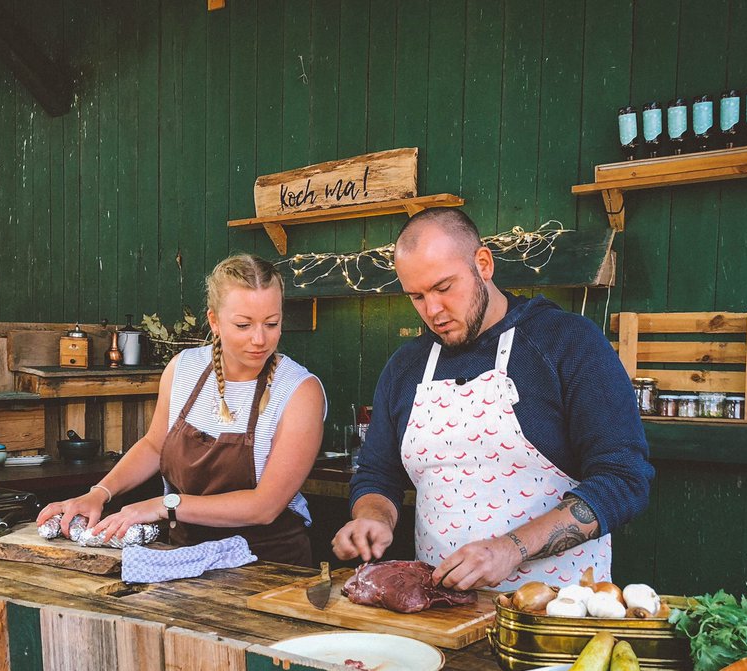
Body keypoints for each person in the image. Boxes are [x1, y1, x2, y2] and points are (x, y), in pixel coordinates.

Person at [331, 208, 653, 591]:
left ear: (483, 264)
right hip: (443, 611)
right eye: (416, 296)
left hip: (558, 612)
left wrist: (511, 548)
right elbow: (377, 475)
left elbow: (624, 479)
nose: (432, 310)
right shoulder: (405, 367)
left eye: (444, 287)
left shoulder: (567, 342)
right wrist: (373, 517)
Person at [37, 254, 326, 567]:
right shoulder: (184, 369)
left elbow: (264, 506)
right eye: (243, 325)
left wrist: (166, 505)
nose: (260, 339)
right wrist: (99, 492)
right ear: (214, 321)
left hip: (269, 568)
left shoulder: (299, 391)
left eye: (272, 324)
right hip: (184, 561)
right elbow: (153, 445)